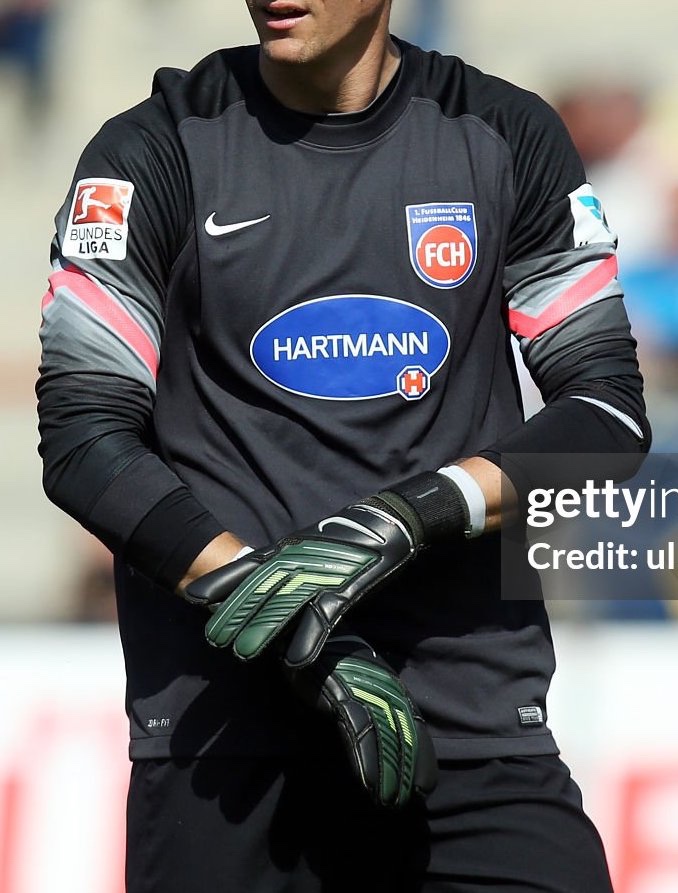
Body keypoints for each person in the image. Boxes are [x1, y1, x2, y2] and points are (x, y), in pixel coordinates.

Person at [36, 1, 651, 891]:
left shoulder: (504, 132)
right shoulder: (153, 149)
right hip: (225, 746)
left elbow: (607, 412)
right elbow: (84, 433)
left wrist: (404, 519)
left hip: (469, 727)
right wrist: (288, 619)